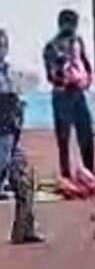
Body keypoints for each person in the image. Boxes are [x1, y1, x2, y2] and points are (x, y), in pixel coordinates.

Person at [0, 29, 43, 244]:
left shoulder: (8, 72)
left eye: (3, 46)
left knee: (24, 179)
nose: (1, 50)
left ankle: (24, 229)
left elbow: (27, 84)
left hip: (10, 134)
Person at [43, 9, 95, 181]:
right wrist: (65, 75)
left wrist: (87, 79)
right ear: (61, 24)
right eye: (70, 24)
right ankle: (65, 174)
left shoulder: (78, 42)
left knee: (86, 132)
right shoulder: (52, 47)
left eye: (74, 24)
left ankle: (90, 171)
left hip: (78, 93)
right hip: (62, 95)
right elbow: (51, 74)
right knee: (64, 136)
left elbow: (86, 63)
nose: (73, 28)